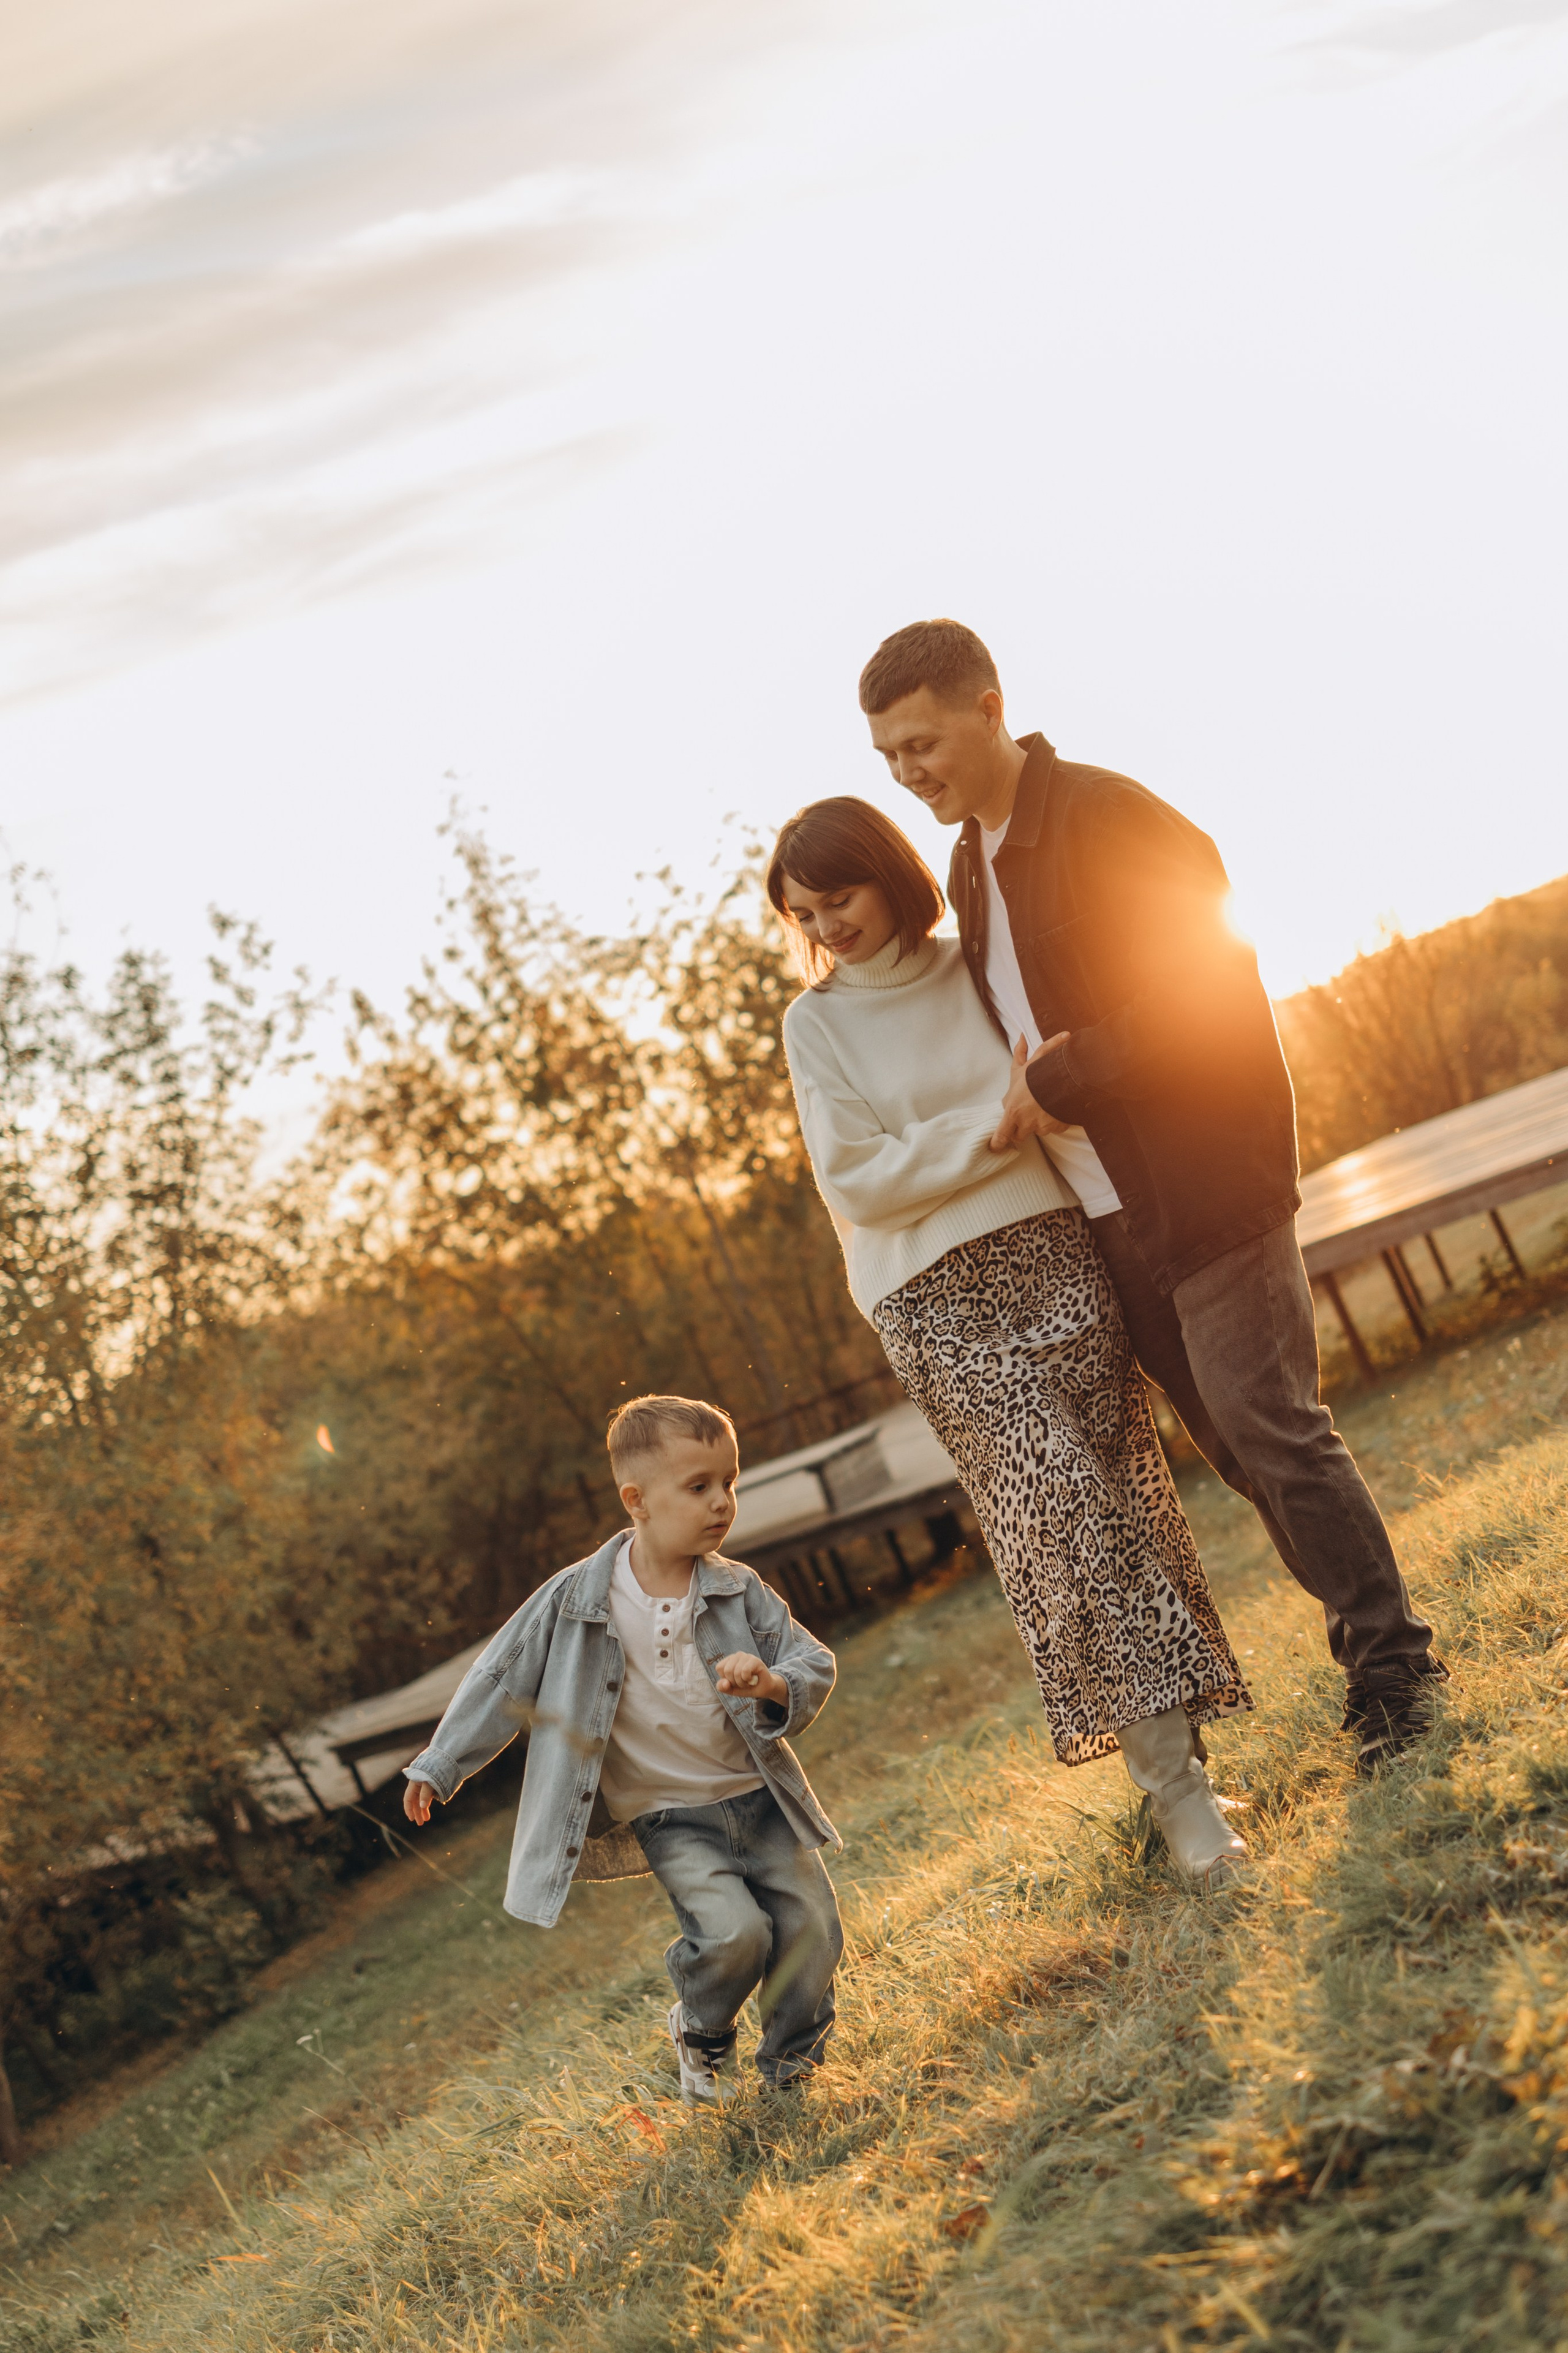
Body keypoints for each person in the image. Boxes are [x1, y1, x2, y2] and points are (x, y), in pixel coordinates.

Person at [856, 616, 1446, 1772]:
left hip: (1208, 1186)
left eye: (921, 744)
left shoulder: (1111, 818)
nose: (907, 773)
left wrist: (1068, 1072)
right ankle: (1370, 1656)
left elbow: (1214, 990)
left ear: (987, 711)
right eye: (886, 758)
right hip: (1105, 1215)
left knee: (1274, 1429)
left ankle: (1396, 1669)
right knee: (1235, 1446)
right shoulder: (969, 865)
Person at [771, 795, 1252, 1889]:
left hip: (1054, 1257)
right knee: (1065, 1524)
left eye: (838, 895)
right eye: (803, 910)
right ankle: (1181, 1805)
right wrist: (999, 1114)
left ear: (888, 875)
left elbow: (1055, 1080)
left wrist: (966, 1133)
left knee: (1123, 1499)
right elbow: (859, 1179)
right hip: (934, 1302)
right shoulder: (817, 1024)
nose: (825, 922)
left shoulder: (975, 969)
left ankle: (1190, 1771)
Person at [402, 1393, 844, 2102]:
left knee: (810, 1930)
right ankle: (701, 2027)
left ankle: (792, 2075)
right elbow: (499, 1675)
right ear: (635, 1499)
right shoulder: (576, 1598)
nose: (721, 1502)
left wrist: (770, 1683)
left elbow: (811, 1660)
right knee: (735, 1936)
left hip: (759, 1802)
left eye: (729, 1481)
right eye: (698, 1486)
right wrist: (440, 1761)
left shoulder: (739, 1590)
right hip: (671, 1817)